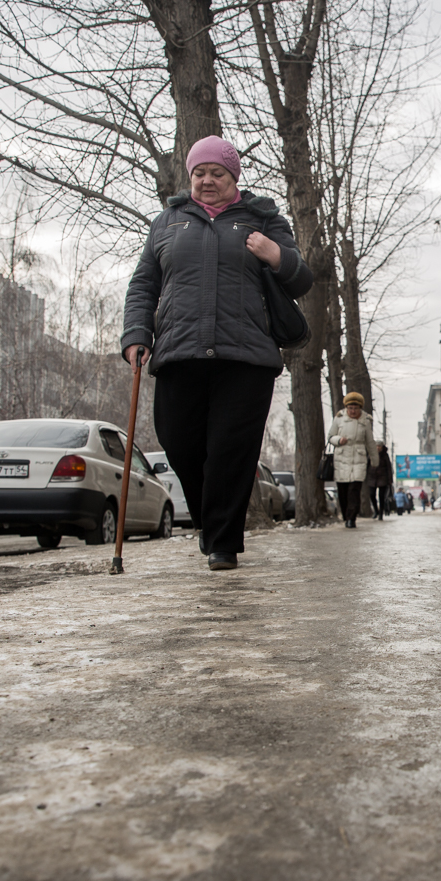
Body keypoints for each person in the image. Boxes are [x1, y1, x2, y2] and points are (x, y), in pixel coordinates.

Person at [121, 135, 313, 571]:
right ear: (190, 176)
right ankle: (212, 520)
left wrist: (276, 255)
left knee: (231, 448)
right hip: (178, 350)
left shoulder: (261, 217)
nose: (207, 181)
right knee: (178, 440)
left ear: (233, 177)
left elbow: (301, 278)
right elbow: (144, 284)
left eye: (217, 173)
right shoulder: (168, 221)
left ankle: (223, 542)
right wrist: (136, 333)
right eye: (199, 173)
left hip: (245, 356)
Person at [327, 393, 377, 528]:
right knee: (343, 492)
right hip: (341, 459)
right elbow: (330, 436)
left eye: (355, 408)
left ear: (360, 408)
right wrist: (338, 440)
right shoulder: (339, 419)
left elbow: (370, 442)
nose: (353, 411)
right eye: (350, 408)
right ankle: (345, 515)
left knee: (354, 491)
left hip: (358, 460)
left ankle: (352, 518)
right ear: (346, 407)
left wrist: (374, 460)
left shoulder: (365, 420)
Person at [369, 443, 393, 520]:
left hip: (383, 478)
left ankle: (381, 514)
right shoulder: (371, 454)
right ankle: (376, 510)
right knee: (371, 494)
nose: (377, 448)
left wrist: (390, 480)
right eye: (376, 446)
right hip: (372, 478)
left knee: (381, 496)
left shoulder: (385, 455)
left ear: (382, 447)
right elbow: (367, 465)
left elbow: (389, 468)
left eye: (379, 446)